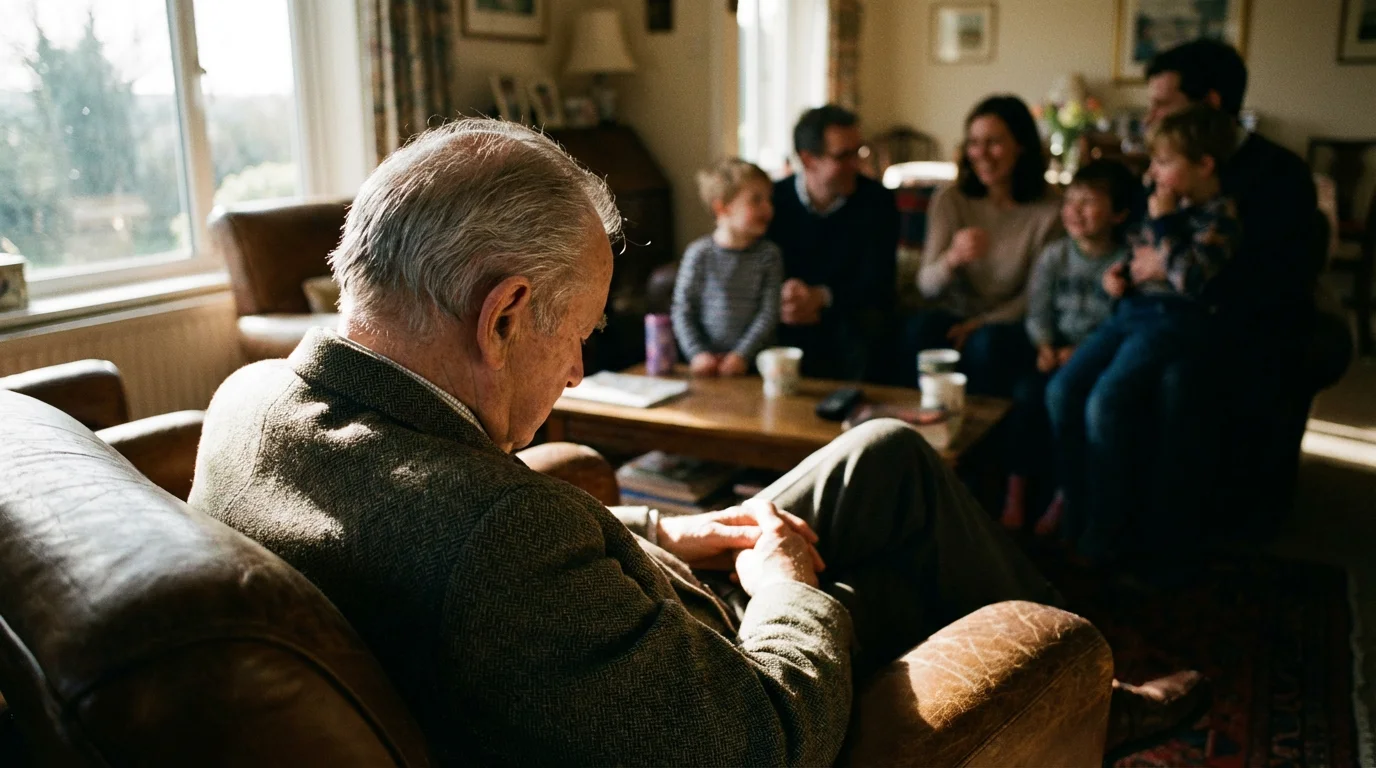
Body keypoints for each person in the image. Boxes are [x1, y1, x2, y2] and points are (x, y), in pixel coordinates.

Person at [190, 119, 1204, 766]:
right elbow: (764, 741)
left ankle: (1093, 700)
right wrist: (784, 594)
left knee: (883, 455)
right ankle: (1081, 697)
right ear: (503, 315)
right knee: (892, 574)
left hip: (621, 603)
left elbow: (479, 525)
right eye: (581, 332)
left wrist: (668, 531)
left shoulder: (246, 404)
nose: (579, 372)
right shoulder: (496, 540)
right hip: (715, 675)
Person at [1139, 39, 1327, 534]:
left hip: (1246, 325)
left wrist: (1163, 263)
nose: (1149, 115)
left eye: (1162, 103)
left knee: (1180, 380)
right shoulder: (1167, 160)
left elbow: (1273, 278)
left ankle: (1177, 541)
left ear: (1211, 104)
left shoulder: (1279, 175)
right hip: (1173, 313)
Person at [1046, 105, 1241, 566]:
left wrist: (1165, 225)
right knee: (1061, 389)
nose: (1153, 173)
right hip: (1131, 311)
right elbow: (1144, 262)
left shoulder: (1220, 217)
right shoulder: (1161, 208)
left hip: (1173, 321)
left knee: (1105, 402)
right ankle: (1076, 506)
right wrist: (1124, 276)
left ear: (1204, 165)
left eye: (1164, 163)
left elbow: (1190, 280)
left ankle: (1106, 530)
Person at [1000, 160, 1136, 535]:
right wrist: (1044, 345)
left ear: (1119, 213)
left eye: (1088, 202)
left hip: (1096, 357)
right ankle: (1016, 493)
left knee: (1073, 405)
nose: (1074, 211)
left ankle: (1064, 495)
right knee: (1028, 396)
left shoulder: (1126, 264)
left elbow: (1120, 322)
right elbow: (1038, 308)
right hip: (1053, 350)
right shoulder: (1055, 255)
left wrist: (1081, 353)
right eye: (1070, 200)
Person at [911, 95, 1063, 397]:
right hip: (955, 313)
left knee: (986, 345)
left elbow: (1035, 296)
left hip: (1010, 320)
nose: (981, 154)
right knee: (917, 332)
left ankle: (980, 437)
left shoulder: (1050, 210)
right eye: (973, 143)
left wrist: (982, 323)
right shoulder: (950, 200)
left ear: (1020, 145)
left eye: (994, 142)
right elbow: (926, 286)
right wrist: (952, 259)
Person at [765, 104, 899, 382]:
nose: (857, 164)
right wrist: (784, 297)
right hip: (784, 314)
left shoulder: (878, 202)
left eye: (858, 152)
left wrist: (821, 297)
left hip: (849, 314)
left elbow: (880, 283)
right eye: (843, 156)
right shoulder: (773, 201)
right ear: (808, 159)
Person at [671, 158, 783, 377]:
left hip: (754, 367)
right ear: (722, 207)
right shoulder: (699, 254)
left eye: (769, 200)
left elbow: (769, 313)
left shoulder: (769, 256)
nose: (768, 208)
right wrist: (697, 354)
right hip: (706, 366)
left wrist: (742, 355)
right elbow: (682, 309)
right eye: (756, 200)